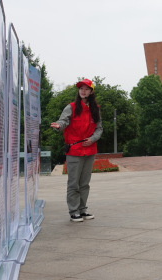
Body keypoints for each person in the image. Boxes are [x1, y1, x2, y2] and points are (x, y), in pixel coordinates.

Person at [50, 78, 103, 222]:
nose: (83, 91)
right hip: (74, 150)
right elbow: (63, 121)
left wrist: (92, 139)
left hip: (90, 150)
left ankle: (82, 209)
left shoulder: (96, 109)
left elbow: (99, 128)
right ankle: (74, 211)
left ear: (91, 92)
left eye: (86, 89)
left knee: (84, 183)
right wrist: (59, 126)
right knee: (74, 183)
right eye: (81, 89)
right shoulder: (71, 107)